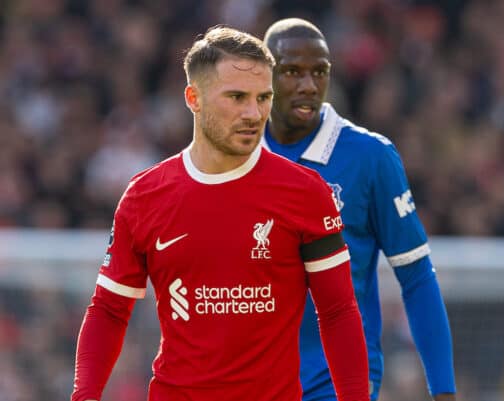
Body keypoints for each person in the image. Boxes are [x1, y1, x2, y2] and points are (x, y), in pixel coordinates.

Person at [71, 26, 370, 401]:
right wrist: (84, 396)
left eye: (263, 97)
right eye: (236, 97)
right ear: (193, 98)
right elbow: (109, 310)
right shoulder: (144, 196)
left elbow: (338, 310)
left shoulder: (306, 193)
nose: (253, 112)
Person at [263, 18, 457, 401]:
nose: (308, 85)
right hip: (254, 380)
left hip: (338, 383)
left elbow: (417, 275)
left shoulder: (369, 157)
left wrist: (444, 391)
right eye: (292, 72)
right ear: (263, 76)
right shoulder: (237, 155)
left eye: (319, 72)